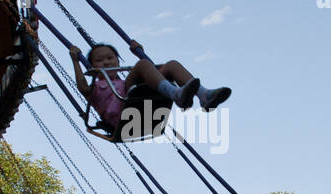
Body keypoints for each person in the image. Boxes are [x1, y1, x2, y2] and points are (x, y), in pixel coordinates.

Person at [70, 41, 231, 137]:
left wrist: (140, 53)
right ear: (92, 67)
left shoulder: (123, 82)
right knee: (143, 65)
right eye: (99, 60)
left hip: (142, 106)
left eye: (110, 58)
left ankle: (204, 95)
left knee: (171, 65)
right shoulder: (96, 87)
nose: (106, 62)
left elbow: (153, 74)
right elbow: (82, 87)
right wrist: (76, 61)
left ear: (118, 61)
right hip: (124, 116)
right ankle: (177, 94)